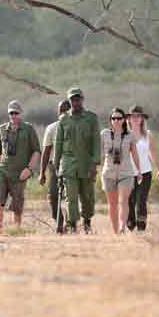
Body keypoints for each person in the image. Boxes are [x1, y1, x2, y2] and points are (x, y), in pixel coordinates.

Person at [52, 87, 100, 234]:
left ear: (82, 100)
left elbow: (96, 142)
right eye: (73, 99)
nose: (75, 102)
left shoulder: (91, 118)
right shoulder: (63, 119)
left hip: (86, 163)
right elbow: (58, 144)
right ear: (70, 101)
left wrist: (95, 163)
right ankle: (72, 225)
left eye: (78, 99)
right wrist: (56, 166)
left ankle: (87, 222)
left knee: (87, 197)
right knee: (71, 197)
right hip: (68, 165)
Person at [0, 99, 41, 234]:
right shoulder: (2, 129)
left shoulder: (28, 129)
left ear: (20, 113)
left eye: (16, 113)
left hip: (19, 174)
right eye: (11, 113)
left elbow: (36, 151)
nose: (13, 116)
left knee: (17, 206)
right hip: (3, 171)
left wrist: (29, 169)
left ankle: (16, 231)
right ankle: (0, 232)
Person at [100, 108, 142, 235]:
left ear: (124, 120)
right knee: (112, 204)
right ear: (110, 120)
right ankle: (116, 232)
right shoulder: (104, 134)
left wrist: (139, 171)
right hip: (109, 173)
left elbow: (135, 154)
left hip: (126, 173)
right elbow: (99, 154)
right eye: (113, 118)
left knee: (123, 201)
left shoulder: (130, 135)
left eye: (119, 118)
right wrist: (95, 168)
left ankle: (122, 228)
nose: (116, 121)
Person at [127, 105, 159, 232]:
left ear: (142, 118)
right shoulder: (125, 135)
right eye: (133, 116)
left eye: (138, 116)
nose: (135, 118)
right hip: (128, 173)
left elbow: (152, 153)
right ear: (129, 118)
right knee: (130, 201)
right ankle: (130, 226)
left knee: (141, 200)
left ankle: (141, 228)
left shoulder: (148, 135)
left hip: (145, 173)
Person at [38, 98, 71, 229]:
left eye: (66, 110)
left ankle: (69, 223)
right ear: (58, 112)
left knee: (71, 195)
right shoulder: (51, 128)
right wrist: (42, 173)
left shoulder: (75, 127)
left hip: (71, 165)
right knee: (53, 196)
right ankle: (59, 220)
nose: (63, 113)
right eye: (61, 110)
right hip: (55, 166)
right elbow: (46, 151)